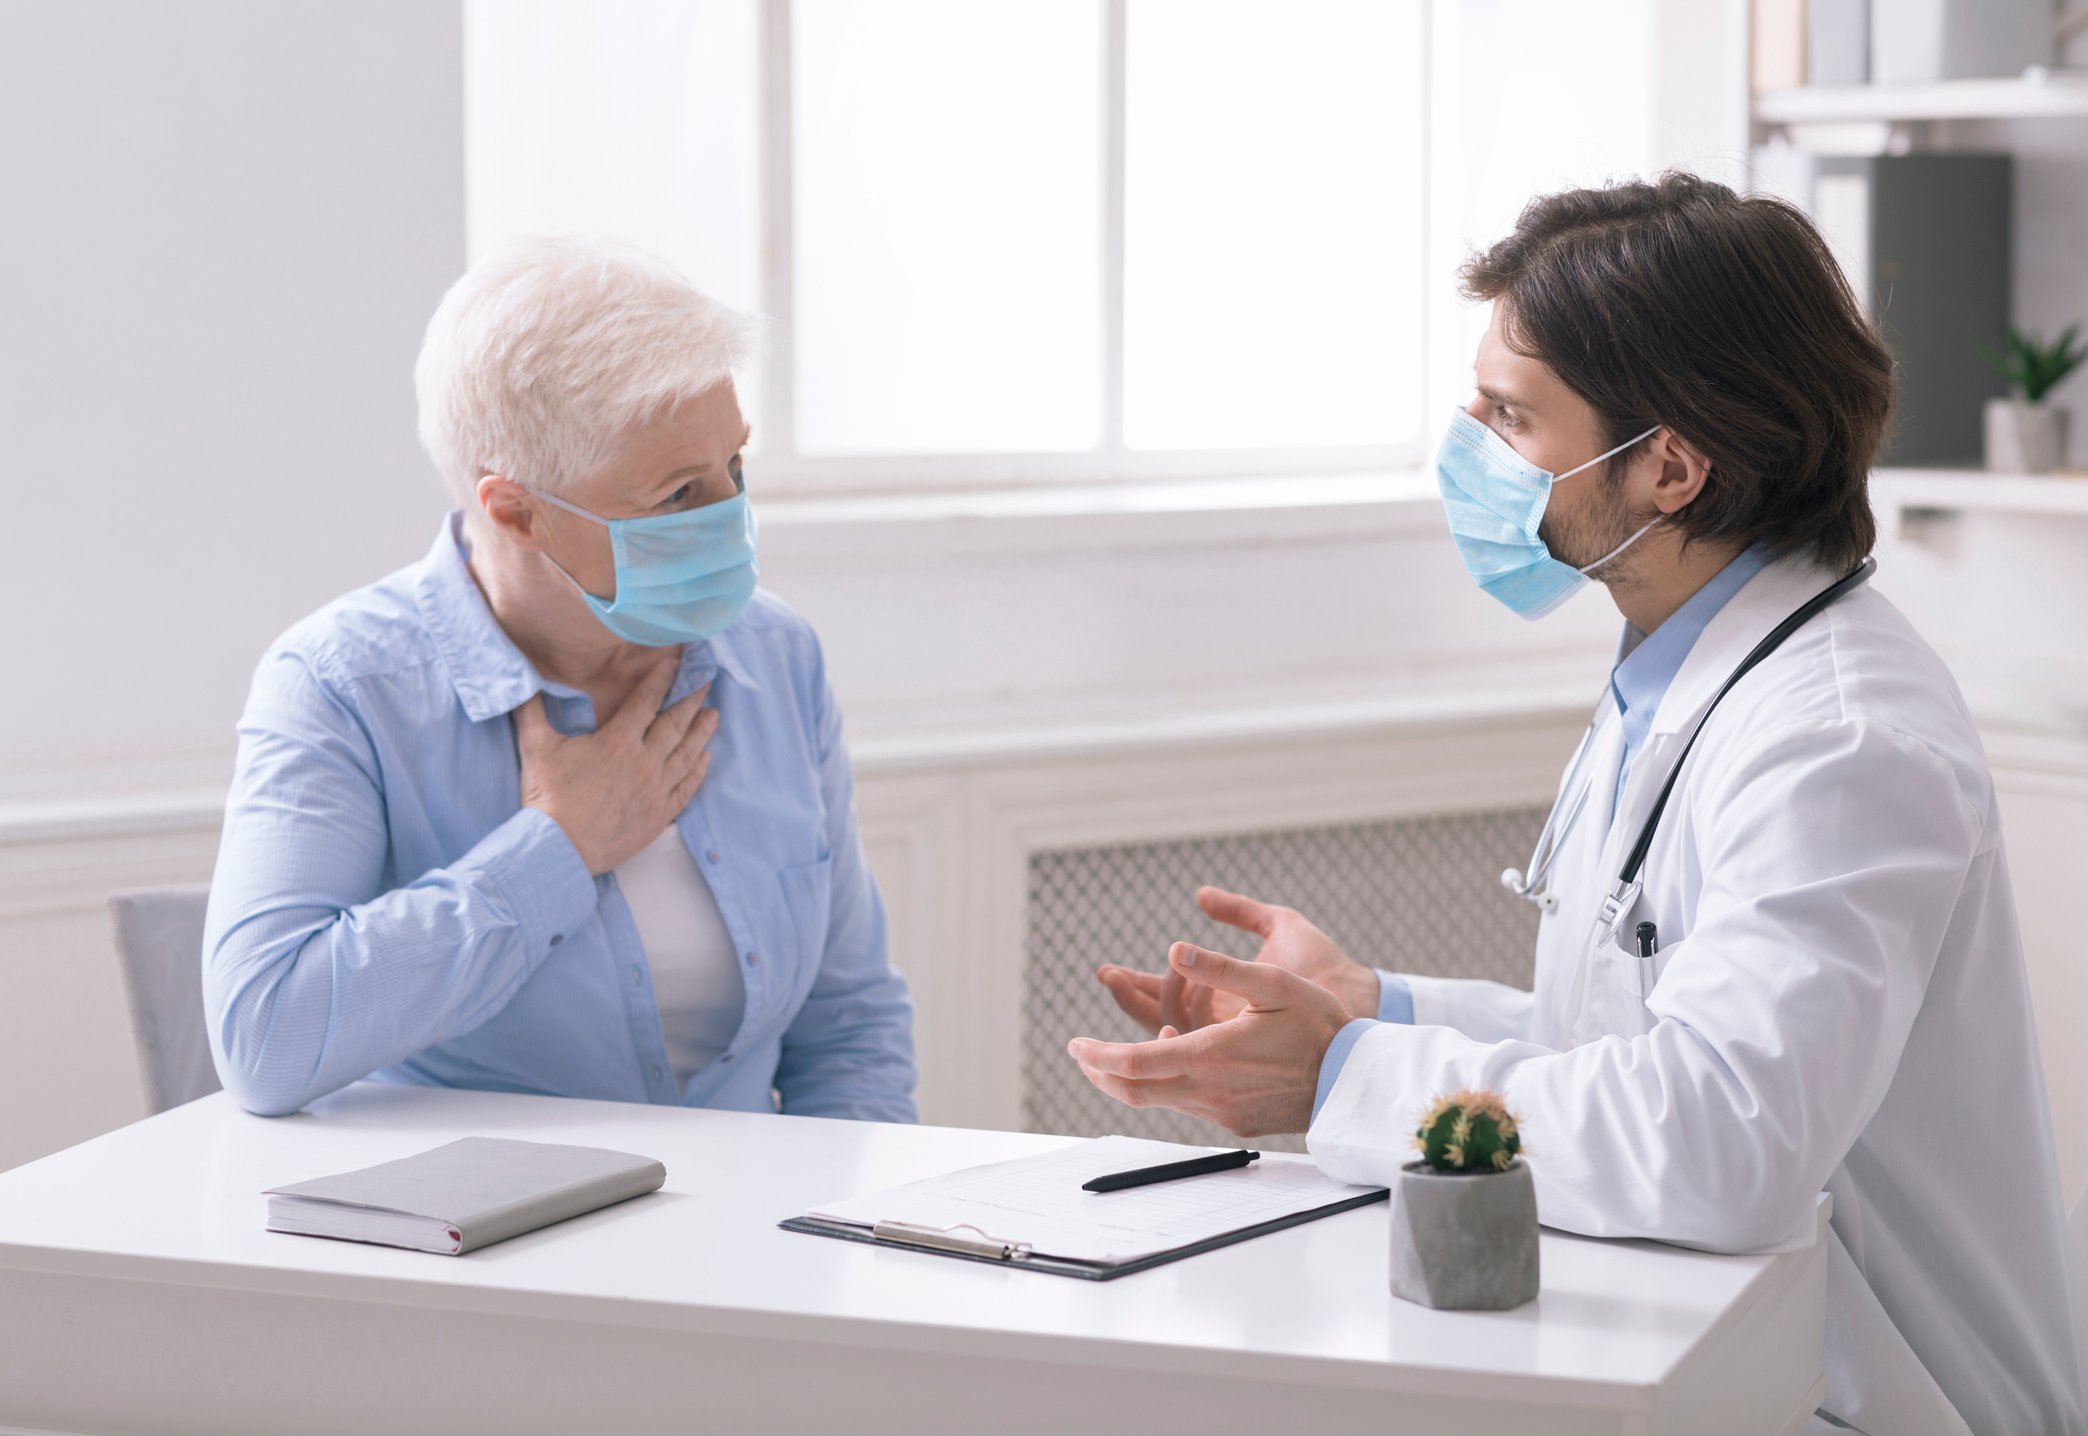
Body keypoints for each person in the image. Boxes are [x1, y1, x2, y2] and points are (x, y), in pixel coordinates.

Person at [1071, 174, 2084, 1435]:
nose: (1471, 451)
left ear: (1670, 466)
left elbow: (1719, 1140)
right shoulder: (1685, 665)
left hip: (1882, 1399)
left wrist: (1341, 1076)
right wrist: (1369, 1007)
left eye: (1511, 416)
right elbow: (1633, 1038)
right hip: (1738, 1363)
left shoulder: (1837, 736)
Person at [203, 237, 915, 1124]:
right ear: (516, 510)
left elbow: (849, 1028)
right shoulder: (342, 685)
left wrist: (847, 1237)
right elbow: (265, 1038)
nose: (730, 517)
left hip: (754, 1238)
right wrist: (558, 845)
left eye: (735, 466)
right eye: (677, 496)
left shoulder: (772, 656)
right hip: (476, 1246)